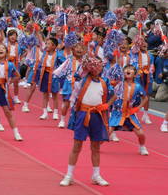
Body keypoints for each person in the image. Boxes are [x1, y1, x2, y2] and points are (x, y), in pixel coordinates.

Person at [60, 57, 112, 187]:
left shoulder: (104, 82)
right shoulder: (82, 79)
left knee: (96, 147)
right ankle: (69, 175)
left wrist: (106, 105)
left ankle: (96, 175)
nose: (96, 68)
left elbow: (115, 94)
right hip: (83, 114)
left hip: (97, 115)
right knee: (77, 145)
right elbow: (77, 75)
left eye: (99, 66)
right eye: (94, 66)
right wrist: (86, 65)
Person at [107, 65, 149, 155]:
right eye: (126, 69)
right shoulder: (119, 84)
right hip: (117, 112)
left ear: (135, 75)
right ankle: (96, 145)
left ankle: (142, 147)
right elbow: (111, 90)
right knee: (107, 133)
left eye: (131, 69)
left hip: (129, 113)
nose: (128, 70)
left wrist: (138, 108)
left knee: (141, 134)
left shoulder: (138, 86)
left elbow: (145, 98)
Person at [35, 38, 66, 120]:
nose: (47, 45)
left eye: (49, 44)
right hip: (45, 74)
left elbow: (64, 64)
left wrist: (59, 73)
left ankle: (55, 112)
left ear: (54, 46)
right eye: (46, 43)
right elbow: (40, 63)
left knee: (55, 94)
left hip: (54, 76)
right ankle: (44, 112)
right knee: (45, 94)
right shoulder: (45, 54)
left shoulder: (58, 55)